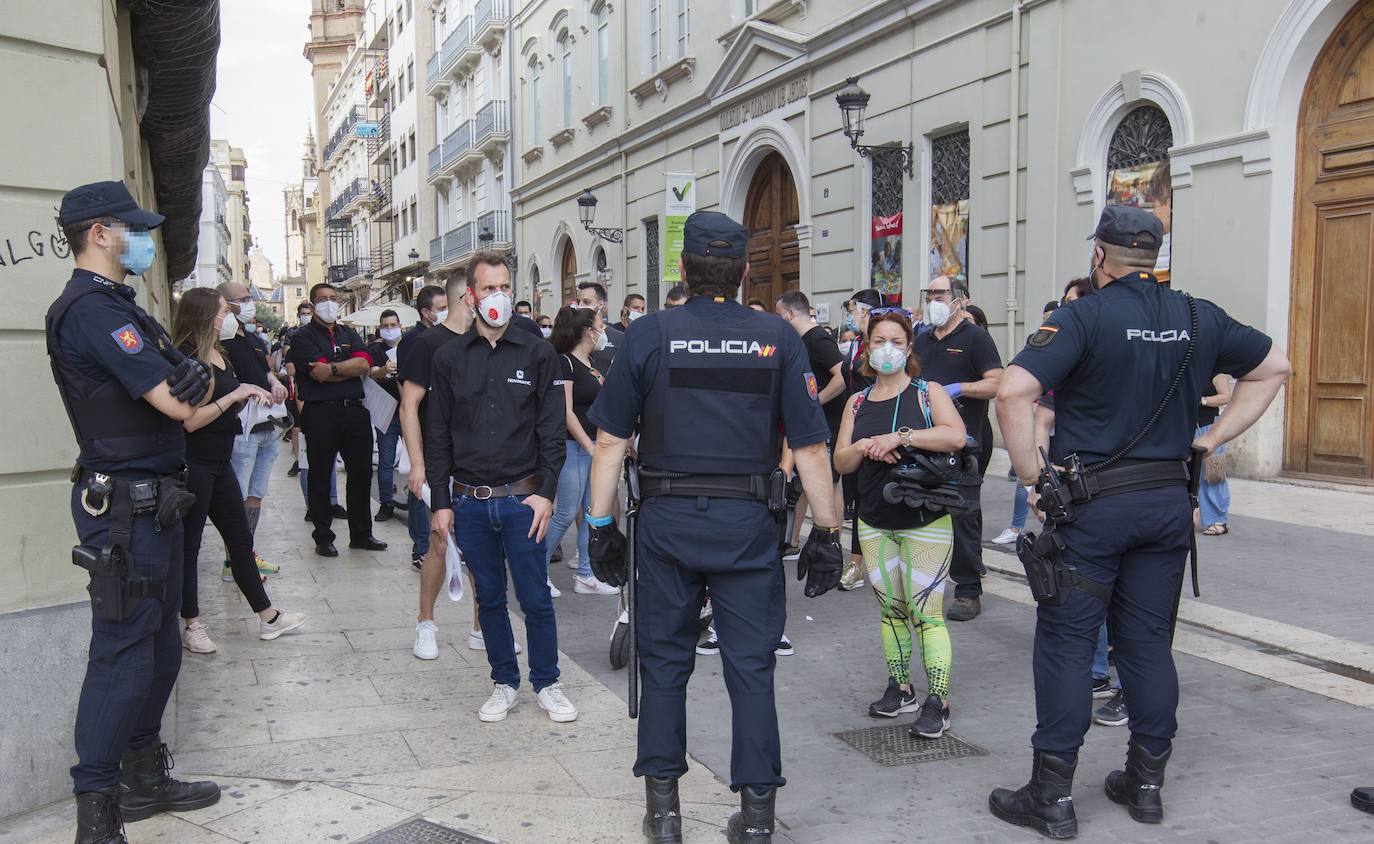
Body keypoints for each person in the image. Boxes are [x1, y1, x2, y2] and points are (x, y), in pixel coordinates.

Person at [989, 205, 1290, 837]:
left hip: (1093, 508)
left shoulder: (1081, 315)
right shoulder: (1197, 315)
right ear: (1153, 256)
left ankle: (1052, 795)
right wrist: (1212, 439)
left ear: (1099, 255)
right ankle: (1145, 785)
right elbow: (1274, 369)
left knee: (1069, 645)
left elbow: (1014, 390)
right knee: (1148, 645)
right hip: (1164, 507)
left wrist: (1029, 478)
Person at [583, 211, 844, 844]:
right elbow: (811, 451)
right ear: (746, 271)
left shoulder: (646, 335)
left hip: (667, 526)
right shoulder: (777, 339)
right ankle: (756, 821)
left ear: (682, 270)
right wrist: (829, 535)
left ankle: (665, 814)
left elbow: (610, 442)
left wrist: (599, 526)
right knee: (751, 670)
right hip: (749, 525)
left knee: (666, 666)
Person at [47, 181, 221, 839]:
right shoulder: (92, 311)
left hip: (157, 506)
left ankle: (145, 775)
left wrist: (187, 377)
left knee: (161, 650)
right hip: (123, 509)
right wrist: (185, 379)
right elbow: (182, 400)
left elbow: (199, 380)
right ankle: (96, 812)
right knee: (122, 655)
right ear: (100, 233)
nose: (143, 240)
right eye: (133, 229)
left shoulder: (123, 304)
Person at [426, 251, 576, 724]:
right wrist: (442, 503)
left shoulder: (539, 353)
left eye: (505, 287)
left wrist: (547, 493)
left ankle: (547, 682)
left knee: (534, 598)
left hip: (522, 501)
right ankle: (504, 682)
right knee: (488, 597)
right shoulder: (448, 358)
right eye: (489, 288)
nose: (498, 297)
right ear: (470, 296)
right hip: (470, 505)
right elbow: (438, 435)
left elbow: (553, 430)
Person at [833, 310, 967, 733]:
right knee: (891, 610)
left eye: (895, 340)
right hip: (874, 519)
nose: (886, 347)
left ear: (908, 348)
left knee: (927, 612)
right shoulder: (856, 402)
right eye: (878, 341)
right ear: (867, 349)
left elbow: (956, 435)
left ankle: (938, 701)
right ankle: (901, 687)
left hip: (926, 520)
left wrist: (900, 437)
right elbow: (841, 459)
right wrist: (868, 445)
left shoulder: (929, 394)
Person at [170, 289, 306, 653]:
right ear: (204, 316)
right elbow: (189, 421)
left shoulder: (223, 352)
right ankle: (191, 623)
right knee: (190, 546)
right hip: (195, 464)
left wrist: (250, 392)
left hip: (220, 461)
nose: (227, 315)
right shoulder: (187, 357)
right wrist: (234, 396)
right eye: (221, 311)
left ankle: (268, 617)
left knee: (240, 539)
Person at [913, 276, 1002, 622]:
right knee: (924, 515)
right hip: (923, 442)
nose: (934, 299)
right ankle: (924, 579)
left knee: (964, 518)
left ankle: (967, 590)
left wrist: (959, 388)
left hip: (962, 445)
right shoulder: (921, 340)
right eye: (931, 293)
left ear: (960, 300)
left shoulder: (975, 339)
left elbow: (997, 382)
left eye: (941, 294)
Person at [286, 283, 388, 557]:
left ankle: (361, 534)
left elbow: (364, 366)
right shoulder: (302, 337)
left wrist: (332, 368)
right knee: (320, 474)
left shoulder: (349, 333)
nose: (329, 303)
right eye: (322, 299)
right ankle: (323, 536)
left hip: (355, 411)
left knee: (361, 473)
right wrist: (347, 368)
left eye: (333, 298)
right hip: (320, 412)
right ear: (312, 304)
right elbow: (316, 374)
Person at [545, 306, 619, 595]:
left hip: (593, 448)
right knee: (566, 512)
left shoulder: (590, 361)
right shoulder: (565, 363)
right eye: (601, 324)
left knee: (591, 512)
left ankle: (587, 573)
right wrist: (588, 445)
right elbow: (566, 411)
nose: (605, 330)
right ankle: (536, 569)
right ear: (589, 331)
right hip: (574, 447)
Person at [218, 281, 287, 579]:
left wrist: (274, 382)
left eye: (249, 298)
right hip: (241, 429)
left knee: (254, 495)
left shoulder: (252, 338)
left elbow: (265, 369)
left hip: (266, 425)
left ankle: (247, 554)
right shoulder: (221, 342)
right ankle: (234, 561)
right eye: (242, 299)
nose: (249, 304)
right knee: (237, 495)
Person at [993, 300, 1061, 547]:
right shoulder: (1039, 342)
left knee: (1046, 479)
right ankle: (1016, 526)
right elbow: (1015, 389)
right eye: (1047, 315)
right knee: (1029, 478)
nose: (1050, 319)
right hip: (1038, 421)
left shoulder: (1073, 344)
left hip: (1057, 426)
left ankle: (1051, 526)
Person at [837, 289, 885, 591]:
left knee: (877, 496)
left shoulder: (884, 345)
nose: (851, 315)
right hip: (855, 425)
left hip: (880, 424)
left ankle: (880, 560)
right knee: (856, 499)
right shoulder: (855, 344)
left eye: (854, 309)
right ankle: (856, 562)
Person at [368, 309, 406, 522]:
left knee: (416, 456)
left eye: (393, 324)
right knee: (386, 460)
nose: (390, 329)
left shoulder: (411, 344)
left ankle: (417, 496)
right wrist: (384, 370)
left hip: (409, 409)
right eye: (385, 326)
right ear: (380, 328)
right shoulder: (375, 349)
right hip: (387, 411)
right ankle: (386, 503)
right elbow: (372, 373)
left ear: (400, 325)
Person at [1197, 374, 1233, 536]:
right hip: (1185, 424)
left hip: (1209, 426)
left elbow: (1226, 396)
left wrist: (1203, 401)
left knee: (1212, 473)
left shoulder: (1218, 369)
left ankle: (1218, 520)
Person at [574, 281, 623, 373]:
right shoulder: (571, 334)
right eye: (578, 302)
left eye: (586, 302)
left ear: (600, 304)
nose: (580, 306)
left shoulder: (619, 338)